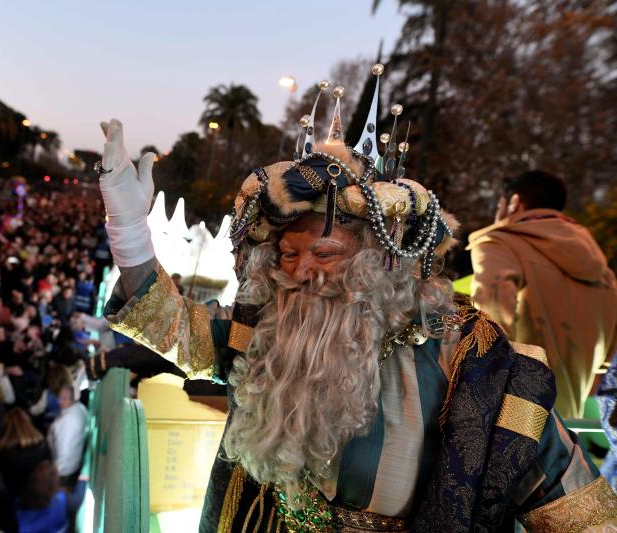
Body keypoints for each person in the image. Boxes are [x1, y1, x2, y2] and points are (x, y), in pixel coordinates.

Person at [96, 69, 617, 532]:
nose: (300, 273)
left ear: (380, 258)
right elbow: (173, 328)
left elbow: (582, 513)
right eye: (287, 254)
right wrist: (128, 232)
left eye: (323, 252)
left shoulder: (474, 365)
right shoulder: (268, 329)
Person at [468, 170, 617, 419]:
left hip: (513, 414)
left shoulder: (501, 244)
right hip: (573, 423)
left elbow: (488, 324)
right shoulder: (602, 270)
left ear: (514, 203)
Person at [0, 408, 51, 498]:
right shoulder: (42, 443)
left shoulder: (3, 450)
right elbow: (48, 465)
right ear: (28, 422)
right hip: (39, 490)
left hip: (15, 494)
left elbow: (3, 476)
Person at [15, 460, 84, 533]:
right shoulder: (60, 500)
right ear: (54, 483)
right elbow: (77, 500)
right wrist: (82, 480)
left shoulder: (19, 499)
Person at [48, 384, 89, 486]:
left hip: (63, 471)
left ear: (73, 399)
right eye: (59, 398)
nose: (59, 402)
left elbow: (64, 452)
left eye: (64, 399)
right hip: (74, 465)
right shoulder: (80, 408)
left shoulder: (65, 423)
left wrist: (54, 474)